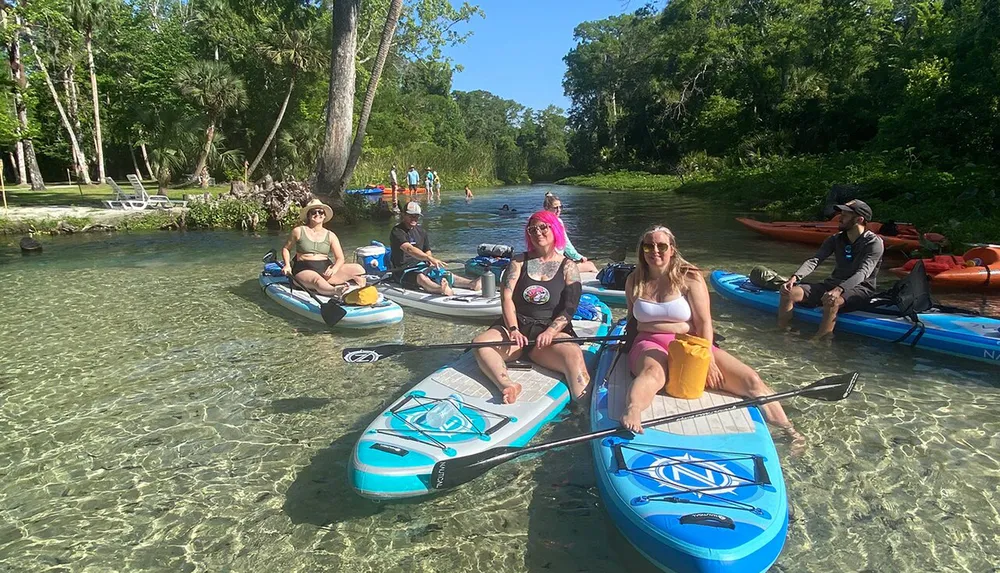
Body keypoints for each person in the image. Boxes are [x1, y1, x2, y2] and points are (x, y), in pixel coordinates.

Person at [620, 225, 800, 440]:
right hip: (649, 341)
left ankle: (788, 430)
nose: (655, 251)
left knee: (751, 379)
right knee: (654, 374)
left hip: (691, 344)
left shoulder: (690, 277)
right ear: (642, 250)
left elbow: (704, 323)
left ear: (672, 249)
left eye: (661, 246)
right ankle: (633, 410)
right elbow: (632, 318)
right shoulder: (634, 279)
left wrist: (708, 360)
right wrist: (623, 346)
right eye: (648, 246)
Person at [472, 211, 589, 405]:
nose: (538, 232)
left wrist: (551, 332)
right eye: (532, 229)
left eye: (544, 227)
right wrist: (513, 329)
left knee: (574, 355)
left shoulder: (569, 266)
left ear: (555, 230)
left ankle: (582, 408)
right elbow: (506, 298)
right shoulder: (518, 261)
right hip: (518, 330)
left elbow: (570, 307)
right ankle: (507, 385)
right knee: (480, 344)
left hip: (550, 333)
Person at [778, 199, 885, 338]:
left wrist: (839, 290)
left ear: (859, 219)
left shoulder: (874, 243)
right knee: (789, 293)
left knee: (831, 300)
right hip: (833, 284)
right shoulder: (835, 239)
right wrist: (795, 277)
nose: (839, 218)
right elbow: (815, 260)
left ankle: (821, 340)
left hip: (861, 289)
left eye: (845, 215)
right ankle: (782, 332)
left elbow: (863, 273)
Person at [389, 201, 481, 296]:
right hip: (403, 270)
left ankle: (471, 284)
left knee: (445, 274)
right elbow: (409, 249)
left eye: (416, 216)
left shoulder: (421, 231)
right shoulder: (397, 231)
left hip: (422, 265)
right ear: (404, 215)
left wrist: (429, 260)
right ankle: (440, 289)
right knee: (421, 277)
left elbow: (427, 249)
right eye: (411, 215)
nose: (414, 218)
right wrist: (429, 258)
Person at [281, 199, 367, 296]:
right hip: (304, 268)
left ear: (324, 215)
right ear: (308, 215)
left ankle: (361, 291)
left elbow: (340, 258)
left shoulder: (331, 235)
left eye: (321, 212)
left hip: (325, 268)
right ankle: (335, 291)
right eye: (314, 212)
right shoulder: (298, 231)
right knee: (316, 279)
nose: (318, 214)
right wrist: (287, 265)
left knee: (358, 269)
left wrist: (334, 269)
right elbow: (286, 249)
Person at [543, 192, 598, 273]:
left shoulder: (543, 222)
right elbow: (566, 244)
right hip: (554, 266)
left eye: (560, 207)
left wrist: (578, 257)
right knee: (590, 265)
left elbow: (565, 244)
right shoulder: (552, 224)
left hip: (554, 262)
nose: (559, 210)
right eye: (555, 208)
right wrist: (578, 257)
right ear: (546, 208)